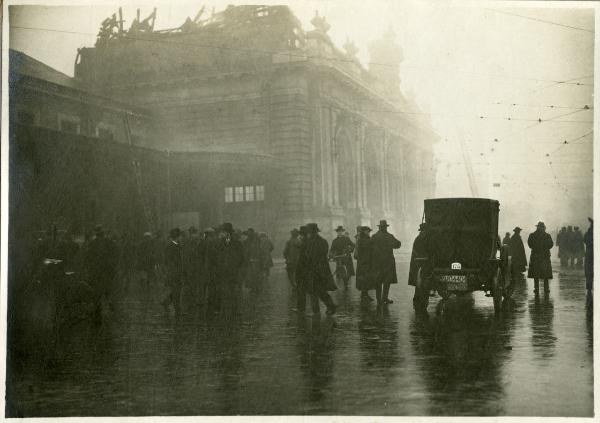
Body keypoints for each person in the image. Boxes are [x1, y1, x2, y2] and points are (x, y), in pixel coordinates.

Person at [296, 223, 337, 315]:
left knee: (316, 291)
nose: (308, 234)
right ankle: (324, 308)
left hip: (316, 270)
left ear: (312, 232)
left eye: (309, 232)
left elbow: (311, 257)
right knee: (318, 291)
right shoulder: (321, 241)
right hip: (320, 270)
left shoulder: (313, 242)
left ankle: (320, 310)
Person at [84, 225, 118, 321]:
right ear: (103, 234)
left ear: (96, 234)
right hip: (107, 270)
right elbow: (116, 255)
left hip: (96, 270)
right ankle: (109, 301)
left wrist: (88, 268)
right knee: (107, 286)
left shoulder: (92, 244)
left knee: (96, 288)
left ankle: (98, 307)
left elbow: (87, 257)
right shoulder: (110, 243)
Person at [215, 222, 245, 313]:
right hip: (225, 271)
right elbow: (217, 257)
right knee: (227, 290)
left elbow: (241, 258)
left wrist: (235, 266)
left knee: (234, 290)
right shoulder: (220, 244)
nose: (224, 234)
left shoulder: (236, 244)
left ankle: (235, 308)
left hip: (232, 271)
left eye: (226, 232)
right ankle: (229, 308)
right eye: (224, 232)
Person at [371, 220, 401, 305]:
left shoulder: (374, 236)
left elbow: (370, 248)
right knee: (386, 281)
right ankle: (385, 298)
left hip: (377, 263)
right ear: (385, 227)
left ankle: (378, 300)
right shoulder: (389, 236)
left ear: (379, 227)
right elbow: (398, 244)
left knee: (378, 281)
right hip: (388, 262)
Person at [527, 221, 554, 295]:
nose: (540, 228)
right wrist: (545, 247)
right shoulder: (547, 235)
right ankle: (545, 288)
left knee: (537, 273)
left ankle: (537, 288)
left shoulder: (532, 235)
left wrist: (536, 247)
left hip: (536, 256)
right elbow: (551, 244)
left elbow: (530, 244)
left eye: (541, 227)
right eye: (540, 227)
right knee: (545, 273)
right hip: (544, 256)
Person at [162, 228, 184, 315]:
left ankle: (166, 302)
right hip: (174, 272)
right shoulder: (171, 246)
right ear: (177, 237)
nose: (181, 238)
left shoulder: (176, 245)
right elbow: (169, 260)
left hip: (175, 271)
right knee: (176, 290)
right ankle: (177, 307)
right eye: (180, 236)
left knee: (176, 289)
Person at [409, 222, 430, 309]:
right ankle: (421, 301)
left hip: (419, 264)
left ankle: (419, 301)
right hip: (421, 264)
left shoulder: (418, 238)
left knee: (420, 284)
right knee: (422, 284)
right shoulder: (423, 239)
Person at [355, 226, 375, 303]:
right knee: (364, 279)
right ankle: (364, 296)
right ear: (363, 232)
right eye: (367, 231)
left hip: (365, 262)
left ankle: (365, 295)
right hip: (364, 263)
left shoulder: (365, 239)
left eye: (368, 231)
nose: (368, 232)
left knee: (366, 279)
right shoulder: (363, 240)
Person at [243, 228, 263, 293]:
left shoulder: (256, 240)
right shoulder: (247, 240)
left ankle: (256, 287)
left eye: (249, 233)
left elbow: (258, 249)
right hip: (251, 260)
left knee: (255, 274)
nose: (248, 234)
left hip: (255, 259)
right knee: (251, 275)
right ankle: (253, 287)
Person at [584, 218, 593, 309]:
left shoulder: (589, 233)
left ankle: (589, 287)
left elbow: (585, 240)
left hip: (590, 255)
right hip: (590, 255)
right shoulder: (589, 233)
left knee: (589, 271)